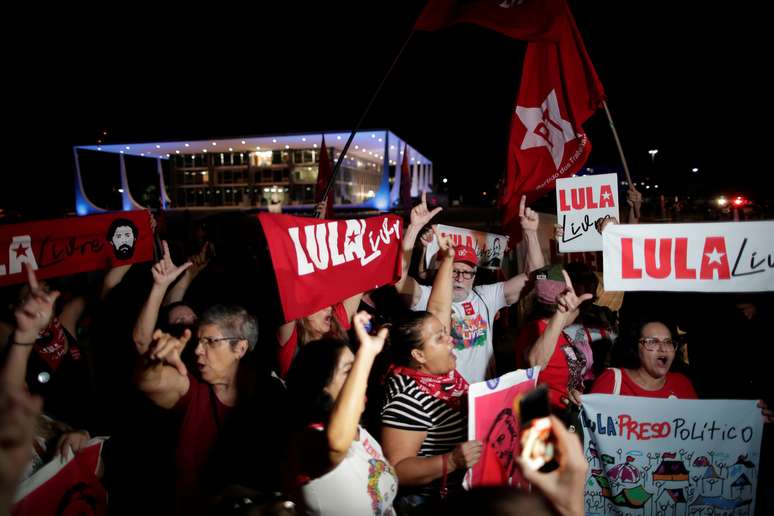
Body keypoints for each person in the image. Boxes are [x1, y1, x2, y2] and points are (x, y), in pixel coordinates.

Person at [382, 231, 482, 514]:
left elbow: (439, 308)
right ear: (418, 355)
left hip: (458, 493)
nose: (450, 339)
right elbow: (397, 468)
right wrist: (450, 462)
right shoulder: (407, 396)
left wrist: (448, 260)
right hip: (426, 505)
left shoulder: (439, 375)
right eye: (440, 338)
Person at [397, 193, 545, 383]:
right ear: (443, 271)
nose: (460, 278)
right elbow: (399, 281)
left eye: (468, 273)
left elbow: (535, 278)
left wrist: (531, 233)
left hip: (483, 396)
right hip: (446, 399)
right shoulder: (428, 296)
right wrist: (413, 228)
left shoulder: (486, 296)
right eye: (454, 271)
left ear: (475, 276)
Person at [132, 300, 258, 514]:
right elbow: (148, 382)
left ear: (240, 348)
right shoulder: (192, 388)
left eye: (210, 341)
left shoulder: (267, 395)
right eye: (199, 341)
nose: (199, 350)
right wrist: (153, 361)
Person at [285, 312, 397, 515]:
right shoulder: (307, 440)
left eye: (357, 369)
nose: (359, 379)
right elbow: (336, 445)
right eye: (349, 371)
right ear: (322, 387)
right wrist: (367, 353)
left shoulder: (359, 431)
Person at [525, 267, 593, 433]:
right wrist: (562, 313)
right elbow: (536, 364)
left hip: (568, 415)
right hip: (547, 423)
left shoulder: (561, 332)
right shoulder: (535, 330)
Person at [590, 317, 697, 398]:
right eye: (652, 342)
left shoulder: (682, 384)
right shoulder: (611, 381)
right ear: (635, 348)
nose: (663, 348)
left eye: (668, 342)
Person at [276, 294, 362, 379]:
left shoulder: (334, 326)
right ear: (305, 312)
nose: (330, 308)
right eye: (322, 305)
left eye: (330, 304)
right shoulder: (291, 342)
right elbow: (287, 296)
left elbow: (359, 284)